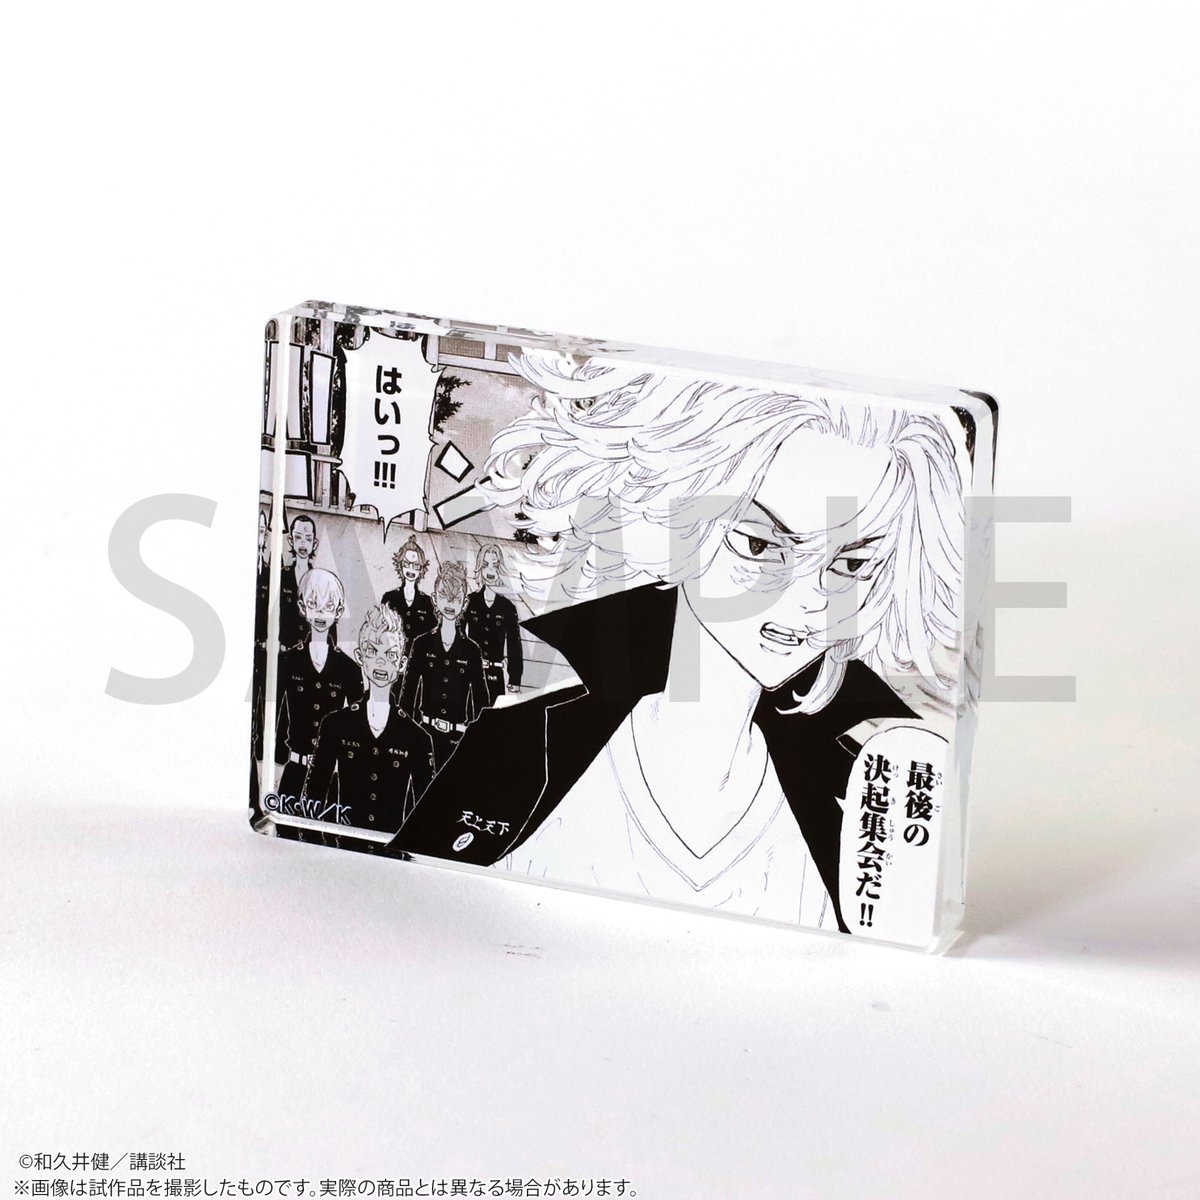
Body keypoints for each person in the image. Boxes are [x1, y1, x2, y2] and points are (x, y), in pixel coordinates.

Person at [384, 352, 965, 932]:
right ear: (670, 523)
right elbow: (401, 911)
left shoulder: (860, 798)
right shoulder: (515, 747)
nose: (810, 598)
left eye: (851, 563)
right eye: (760, 546)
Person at [301, 606, 435, 832]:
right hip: (341, 844)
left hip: (391, 848)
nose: (381, 662)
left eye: (390, 655)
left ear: (402, 664)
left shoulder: (418, 738)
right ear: (360, 657)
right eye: (373, 651)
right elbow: (313, 798)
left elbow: (427, 813)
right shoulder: (335, 725)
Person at [274, 567, 361, 807]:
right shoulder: (288, 661)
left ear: (338, 611)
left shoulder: (349, 668)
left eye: (328, 606)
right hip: (293, 769)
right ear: (302, 608)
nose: (321, 613)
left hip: (330, 776)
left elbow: (356, 725)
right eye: (314, 604)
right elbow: (276, 713)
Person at [398, 561, 488, 770]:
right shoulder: (421, 644)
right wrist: (405, 737)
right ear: (434, 599)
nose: (450, 603)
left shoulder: (472, 651)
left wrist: (477, 744)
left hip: (458, 740)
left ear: (464, 603)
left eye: (456, 598)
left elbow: (480, 703)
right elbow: (408, 695)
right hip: (424, 735)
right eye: (444, 596)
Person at [464, 543, 523, 704]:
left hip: (496, 675)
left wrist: (515, 678)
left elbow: (514, 644)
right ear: (479, 567)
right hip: (471, 673)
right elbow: (459, 635)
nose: (490, 571)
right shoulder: (470, 601)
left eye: (495, 566)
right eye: (485, 565)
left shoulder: (508, 608)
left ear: (500, 569)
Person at [381, 536, 437, 646]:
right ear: (400, 565)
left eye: (416, 565)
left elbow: (432, 637)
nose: (411, 569)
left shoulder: (428, 602)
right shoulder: (389, 598)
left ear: (421, 569)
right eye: (406, 564)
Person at [279, 513, 321, 648]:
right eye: (298, 537)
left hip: (309, 651)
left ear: (314, 543)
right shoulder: (281, 576)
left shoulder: (319, 581)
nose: (303, 543)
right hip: (284, 649)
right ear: (291, 540)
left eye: (308, 539)